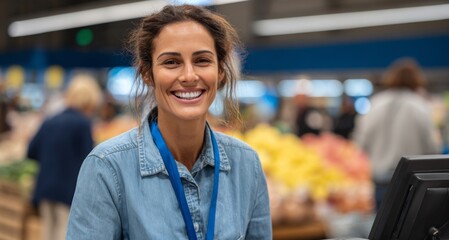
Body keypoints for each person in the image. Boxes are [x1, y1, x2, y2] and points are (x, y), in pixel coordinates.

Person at [67, 4, 272, 239]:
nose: (188, 76)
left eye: (202, 60)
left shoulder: (246, 165)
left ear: (220, 71)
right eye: (171, 62)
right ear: (147, 73)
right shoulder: (107, 168)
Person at [353, 58, 442, 210]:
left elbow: (360, 143)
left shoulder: (375, 104)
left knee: (381, 229)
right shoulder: (420, 106)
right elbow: (433, 148)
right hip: (411, 182)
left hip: (380, 181)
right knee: (408, 231)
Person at [27, 74, 102, 240]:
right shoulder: (83, 124)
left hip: (45, 187)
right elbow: (89, 161)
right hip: (69, 191)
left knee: (47, 233)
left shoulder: (51, 120)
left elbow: (31, 151)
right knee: (64, 233)